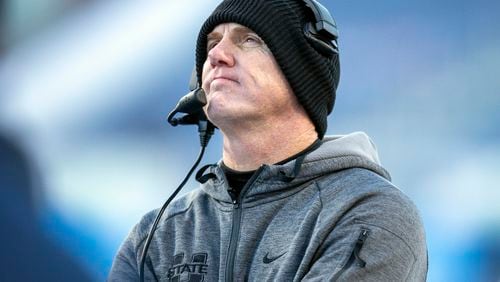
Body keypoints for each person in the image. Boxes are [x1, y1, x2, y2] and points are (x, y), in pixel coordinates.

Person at [109, 0, 428, 281]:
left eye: (248, 39)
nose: (218, 55)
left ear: (302, 73)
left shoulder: (370, 212)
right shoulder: (157, 234)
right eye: (212, 44)